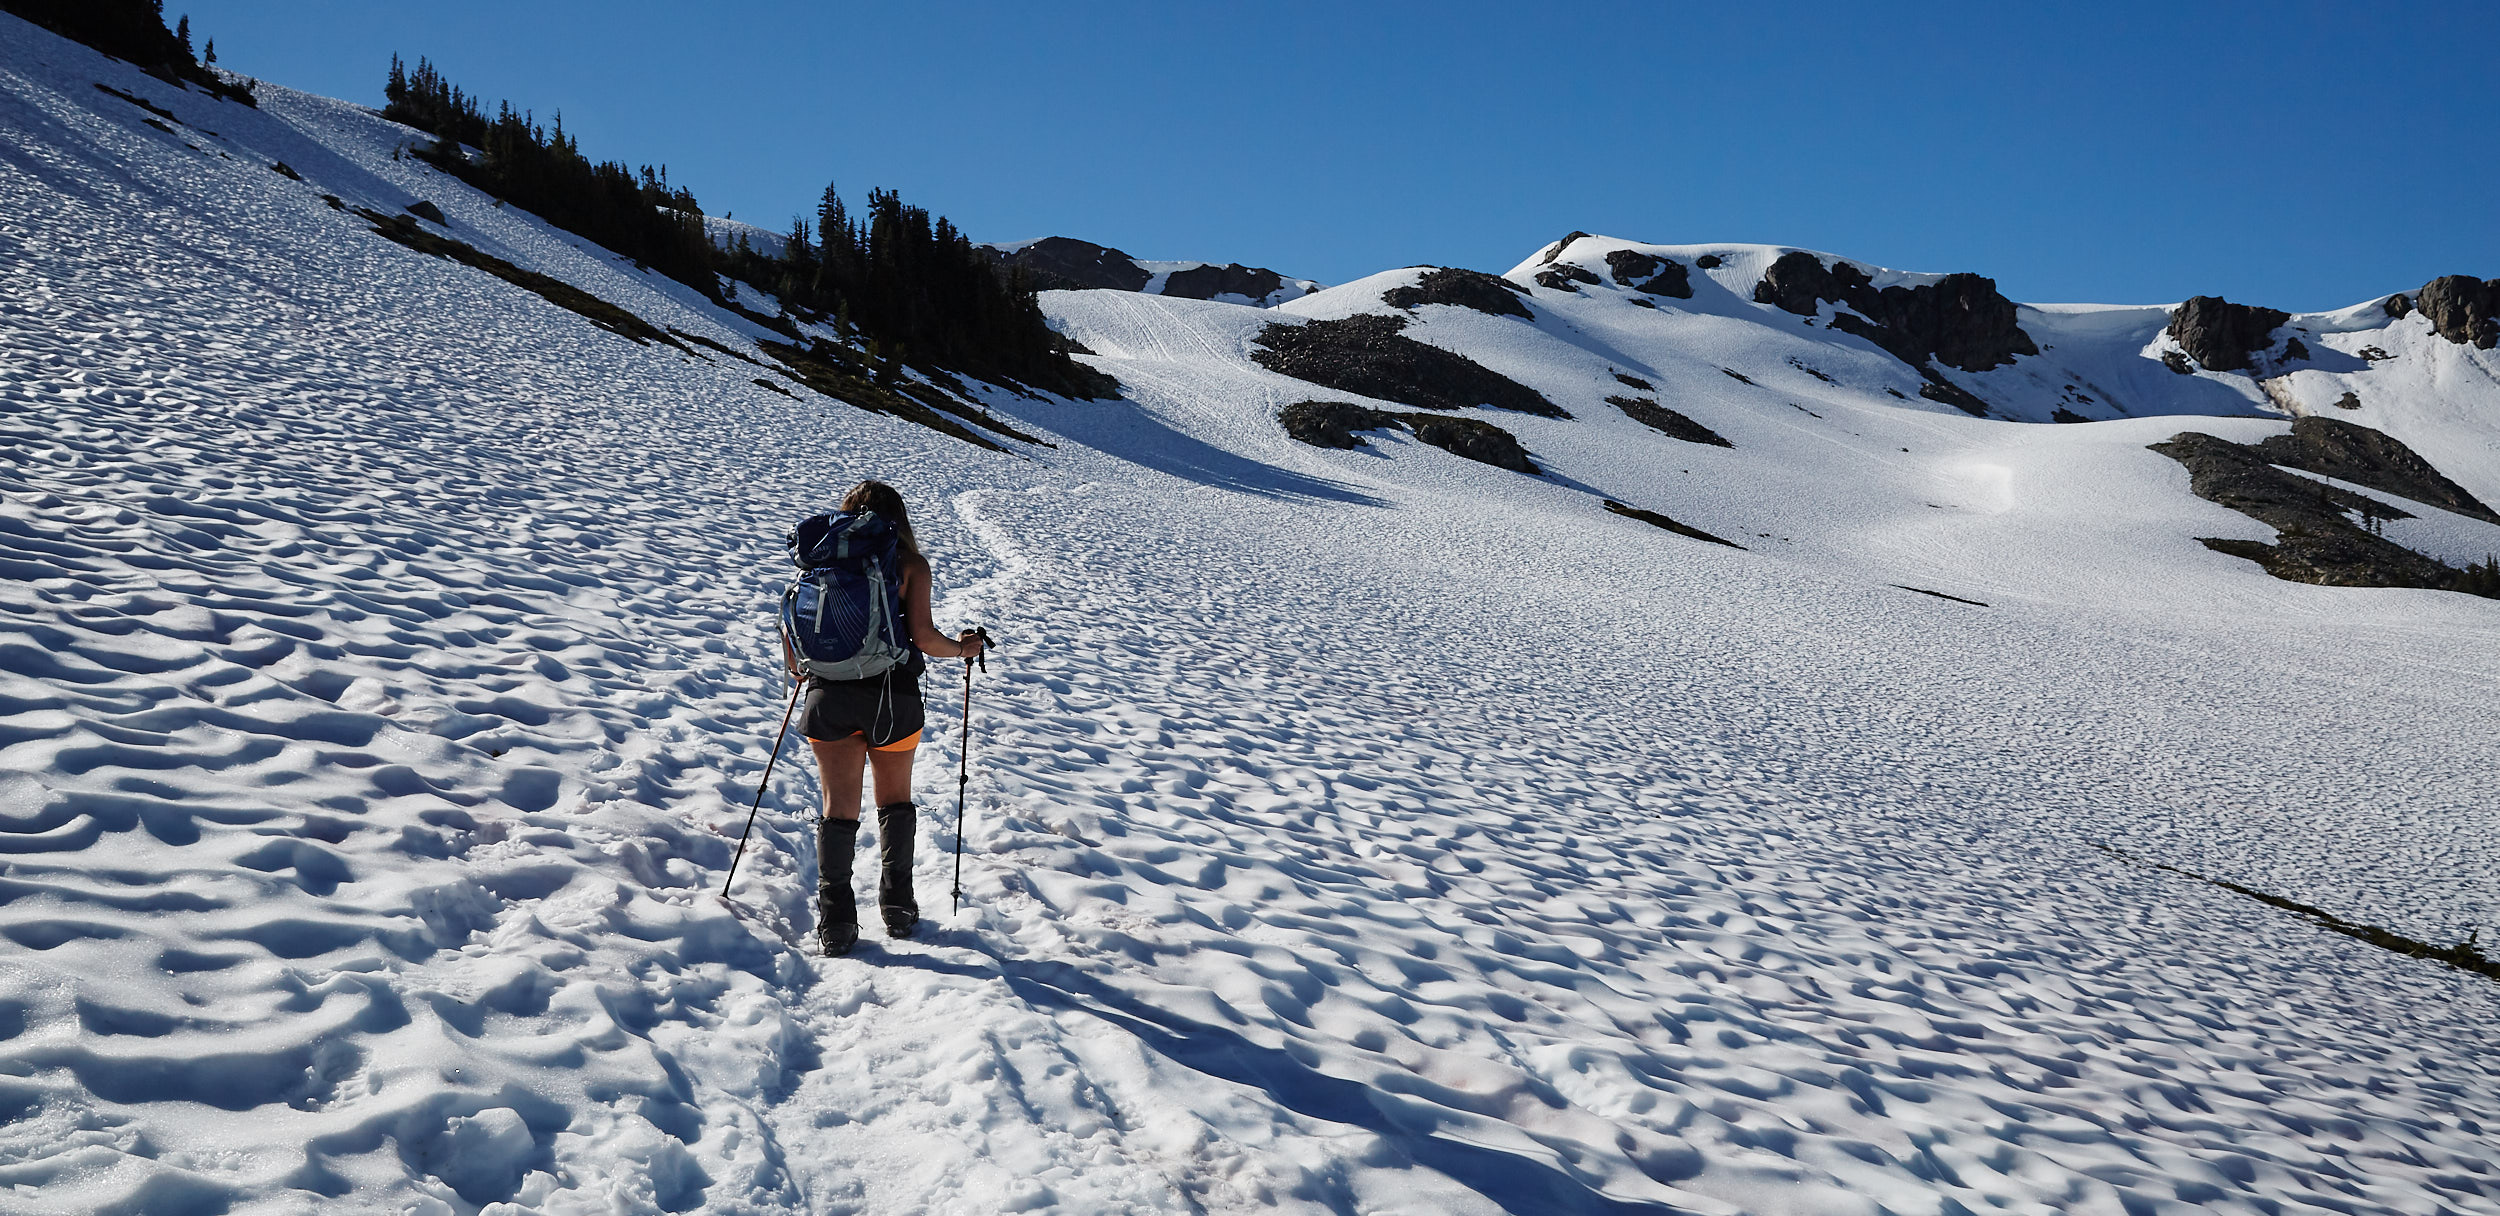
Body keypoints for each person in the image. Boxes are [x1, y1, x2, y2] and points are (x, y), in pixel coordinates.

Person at [783, 480, 985, 956]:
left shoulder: (818, 563)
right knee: (894, 799)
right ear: (898, 518)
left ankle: (835, 920)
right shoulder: (909, 564)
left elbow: (796, 662)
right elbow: (924, 637)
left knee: (838, 807)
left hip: (828, 700)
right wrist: (964, 650)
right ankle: (897, 904)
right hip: (893, 698)